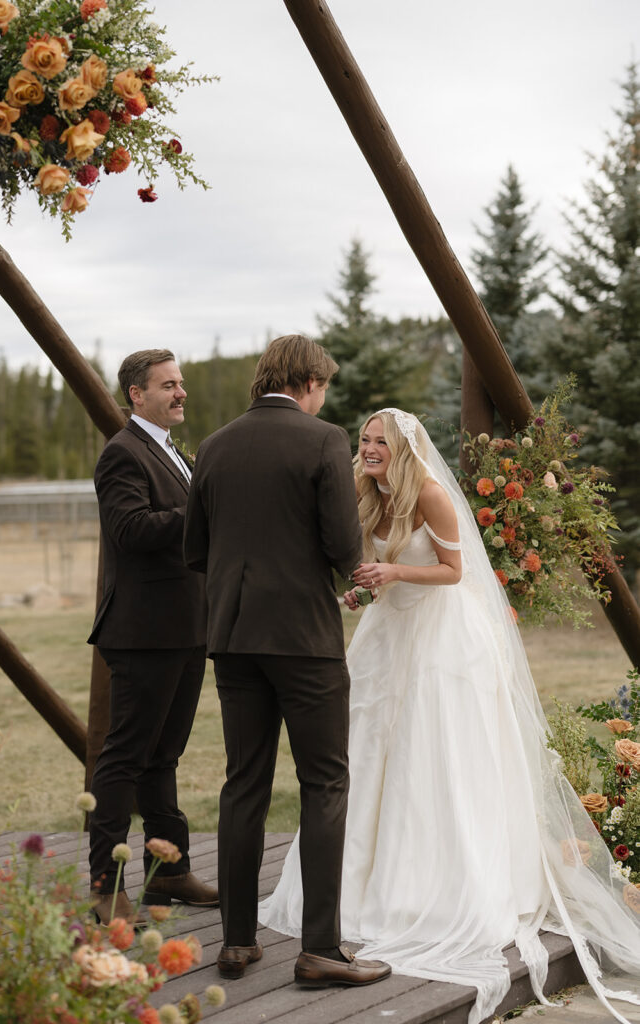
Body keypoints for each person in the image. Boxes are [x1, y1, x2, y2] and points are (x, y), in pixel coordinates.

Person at [259, 408, 640, 1024]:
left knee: (430, 757)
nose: (370, 449)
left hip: (441, 641)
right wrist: (363, 589)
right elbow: (378, 570)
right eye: (364, 441)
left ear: (405, 448)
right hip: (389, 635)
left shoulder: (431, 494)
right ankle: (351, 889)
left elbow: (454, 571)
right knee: (364, 752)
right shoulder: (371, 495)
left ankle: (433, 890)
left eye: (380, 442)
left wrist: (395, 570)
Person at [184, 334, 391, 988]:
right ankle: (321, 951)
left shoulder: (213, 445)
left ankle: (238, 944)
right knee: (325, 782)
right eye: (323, 385)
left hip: (233, 635)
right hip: (302, 637)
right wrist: (354, 574)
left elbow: (195, 548)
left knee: (243, 782)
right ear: (307, 382)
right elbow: (339, 541)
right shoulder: (322, 439)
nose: (323, 397)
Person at [87, 349, 218, 925]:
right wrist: (202, 509)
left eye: (181, 383)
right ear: (137, 395)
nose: (180, 393)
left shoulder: (174, 453)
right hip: (143, 633)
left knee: (164, 756)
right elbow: (130, 530)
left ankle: (168, 872)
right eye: (168, 385)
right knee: (124, 758)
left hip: (187, 628)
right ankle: (104, 885)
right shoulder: (123, 454)